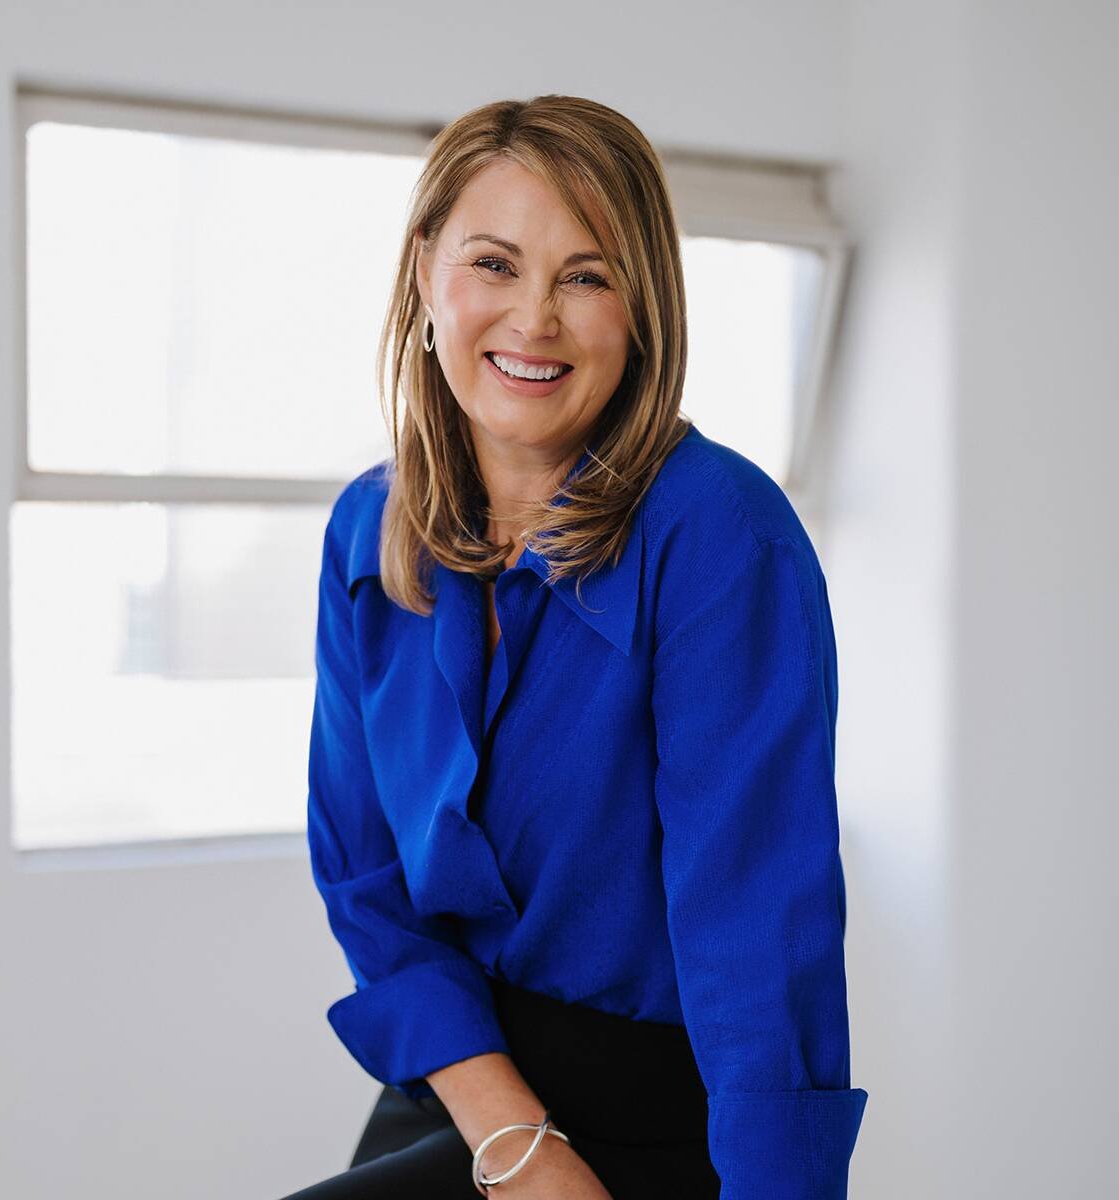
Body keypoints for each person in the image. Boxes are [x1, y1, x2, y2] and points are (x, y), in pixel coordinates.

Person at [281, 94, 869, 1200]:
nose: (535, 319)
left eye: (587, 276)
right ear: (425, 278)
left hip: (667, 1123)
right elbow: (364, 881)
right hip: (465, 1086)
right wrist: (515, 1142)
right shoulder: (369, 529)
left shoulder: (717, 535)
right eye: (495, 264)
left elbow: (760, 944)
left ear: (642, 307)